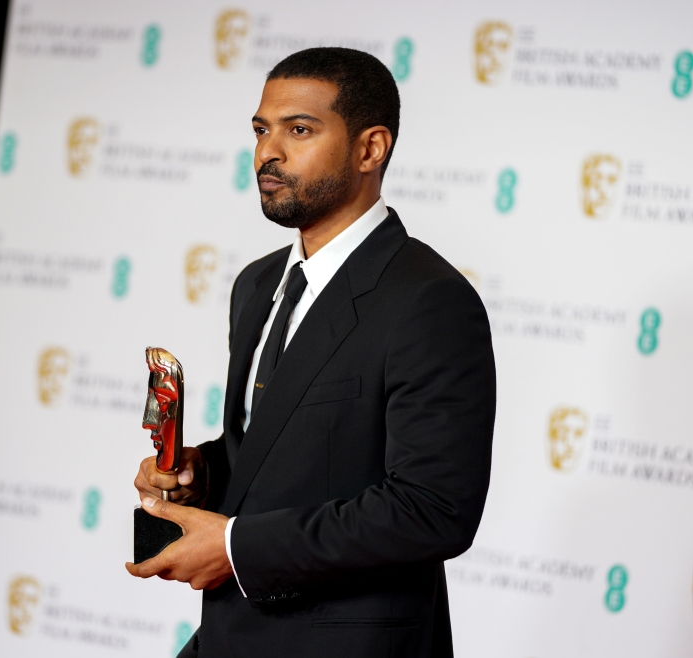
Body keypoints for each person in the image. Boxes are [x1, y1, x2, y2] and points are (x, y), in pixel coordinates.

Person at [126, 47, 496, 658]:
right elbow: (278, 450)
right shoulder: (256, 284)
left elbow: (434, 510)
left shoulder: (429, 300)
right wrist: (202, 474)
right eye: (261, 129)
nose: (268, 152)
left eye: (299, 130)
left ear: (370, 148)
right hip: (230, 636)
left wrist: (237, 549)